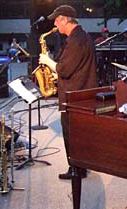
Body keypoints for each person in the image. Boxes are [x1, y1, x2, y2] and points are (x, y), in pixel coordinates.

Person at [39, 5, 98, 180]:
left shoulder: (76, 40)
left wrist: (48, 61)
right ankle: (80, 167)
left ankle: (75, 169)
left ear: (65, 19)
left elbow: (65, 69)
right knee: (79, 134)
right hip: (80, 91)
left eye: (57, 20)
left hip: (74, 96)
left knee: (71, 134)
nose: (55, 24)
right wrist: (58, 76)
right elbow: (76, 68)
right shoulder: (83, 37)